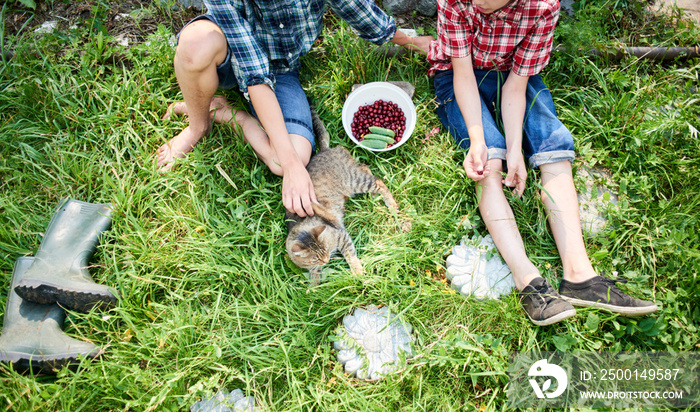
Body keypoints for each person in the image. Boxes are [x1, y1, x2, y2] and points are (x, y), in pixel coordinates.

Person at [427, 0, 657, 325]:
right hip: (456, 74)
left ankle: (580, 275)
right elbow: (462, 76)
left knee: (553, 144)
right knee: (486, 163)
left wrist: (515, 149)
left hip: (512, 74)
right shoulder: (456, 2)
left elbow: (516, 87)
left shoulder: (542, 7)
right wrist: (480, 142)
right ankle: (528, 281)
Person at [156, 0, 432, 219]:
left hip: (280, 68)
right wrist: (291, 169)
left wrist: (411, 40)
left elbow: (355, 8)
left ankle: (225, 112)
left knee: (293, 156)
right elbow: (254, 74)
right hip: (228, 53)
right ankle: (198, 125)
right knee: (195, 44)